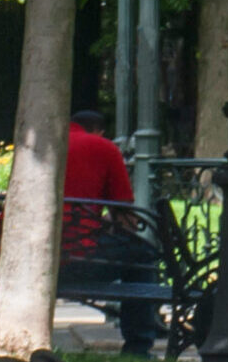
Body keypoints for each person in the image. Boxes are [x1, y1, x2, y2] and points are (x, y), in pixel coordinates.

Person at [64, 110, 159, 357]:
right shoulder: (103, 148)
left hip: (22, 259)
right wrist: (103, 222)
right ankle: (138, 346)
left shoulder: (41, 141)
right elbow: (124, 215)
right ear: (99, 131)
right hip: (75, 259)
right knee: (144, 255)